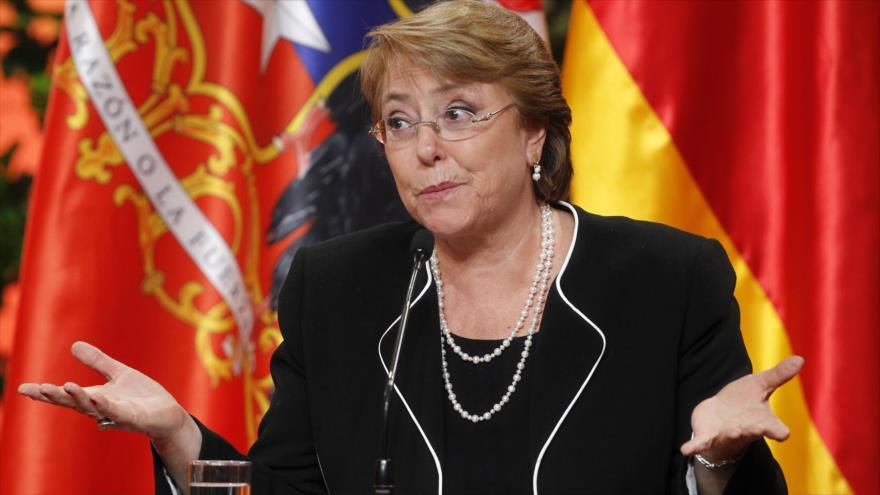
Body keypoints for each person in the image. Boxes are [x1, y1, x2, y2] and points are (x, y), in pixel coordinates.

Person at [18, 1, 802, 494]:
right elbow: (287, 488)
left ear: (534, 132)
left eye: (459, 113)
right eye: (399, 121)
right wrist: (178, 435)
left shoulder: (667, 281)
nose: (425, 148)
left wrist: (716, 463)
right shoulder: (336, 288)